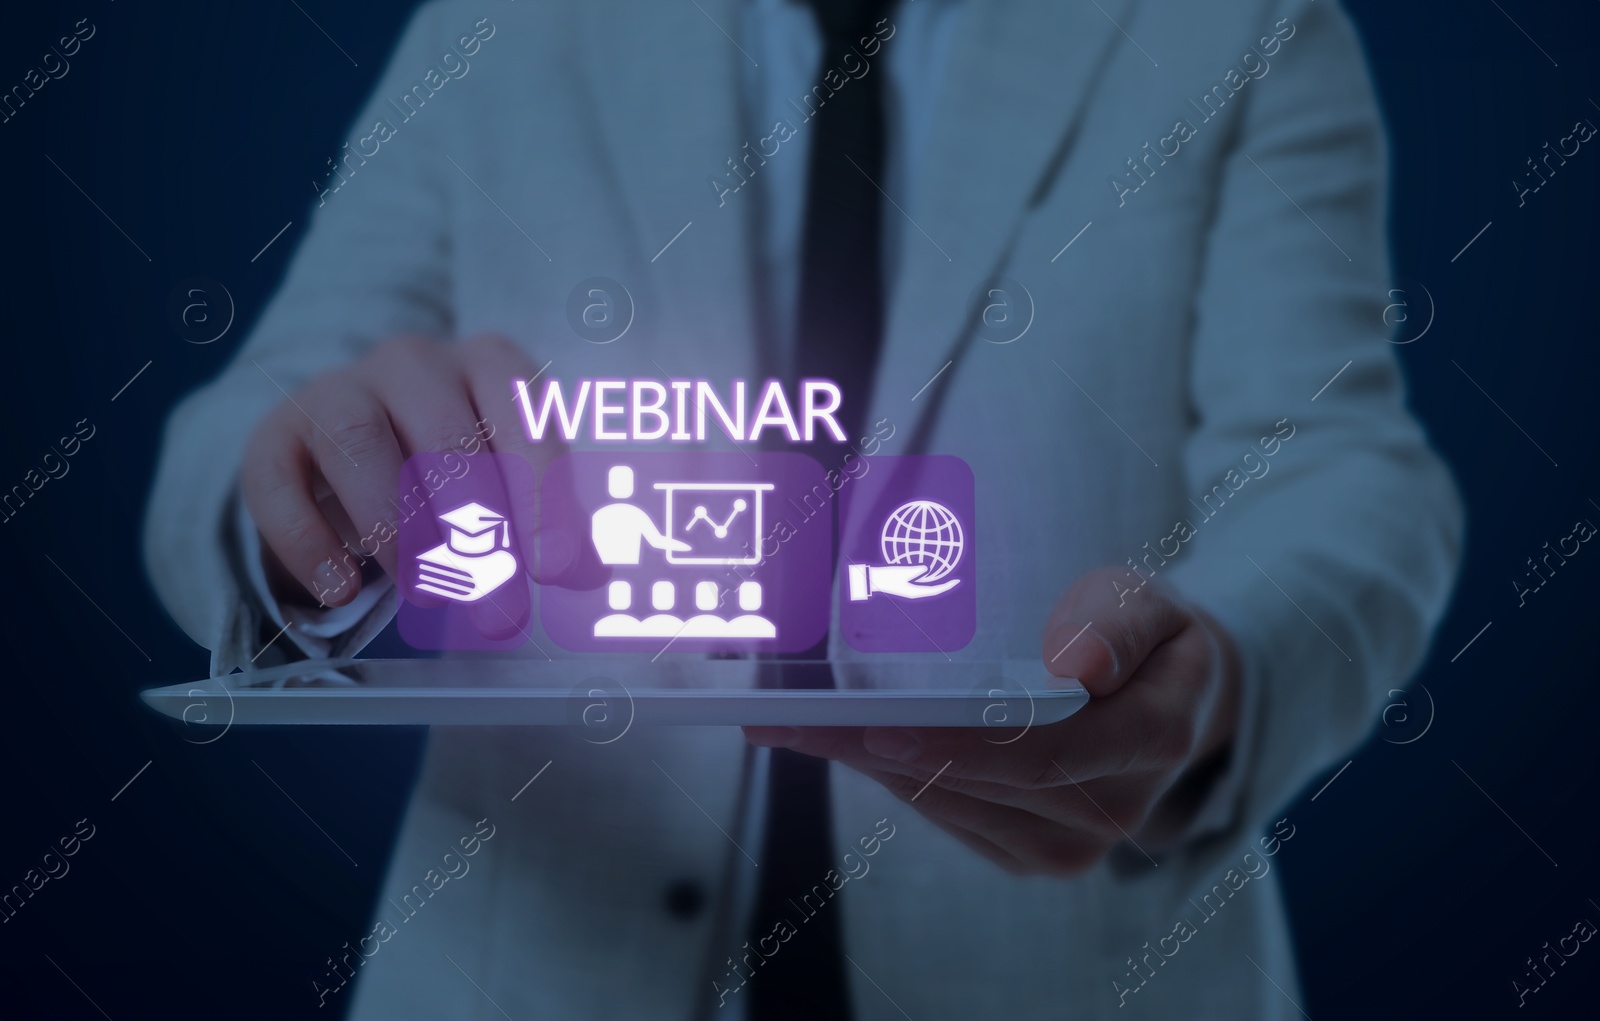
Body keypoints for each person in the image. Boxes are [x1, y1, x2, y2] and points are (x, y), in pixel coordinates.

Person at [143, 0, 1461, 1017]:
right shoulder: (509, 20)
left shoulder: (1235, 26)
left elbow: (1342, 461)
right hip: (530, 961)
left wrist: (1219, 682)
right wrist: (313, 497)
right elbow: (244, 427)